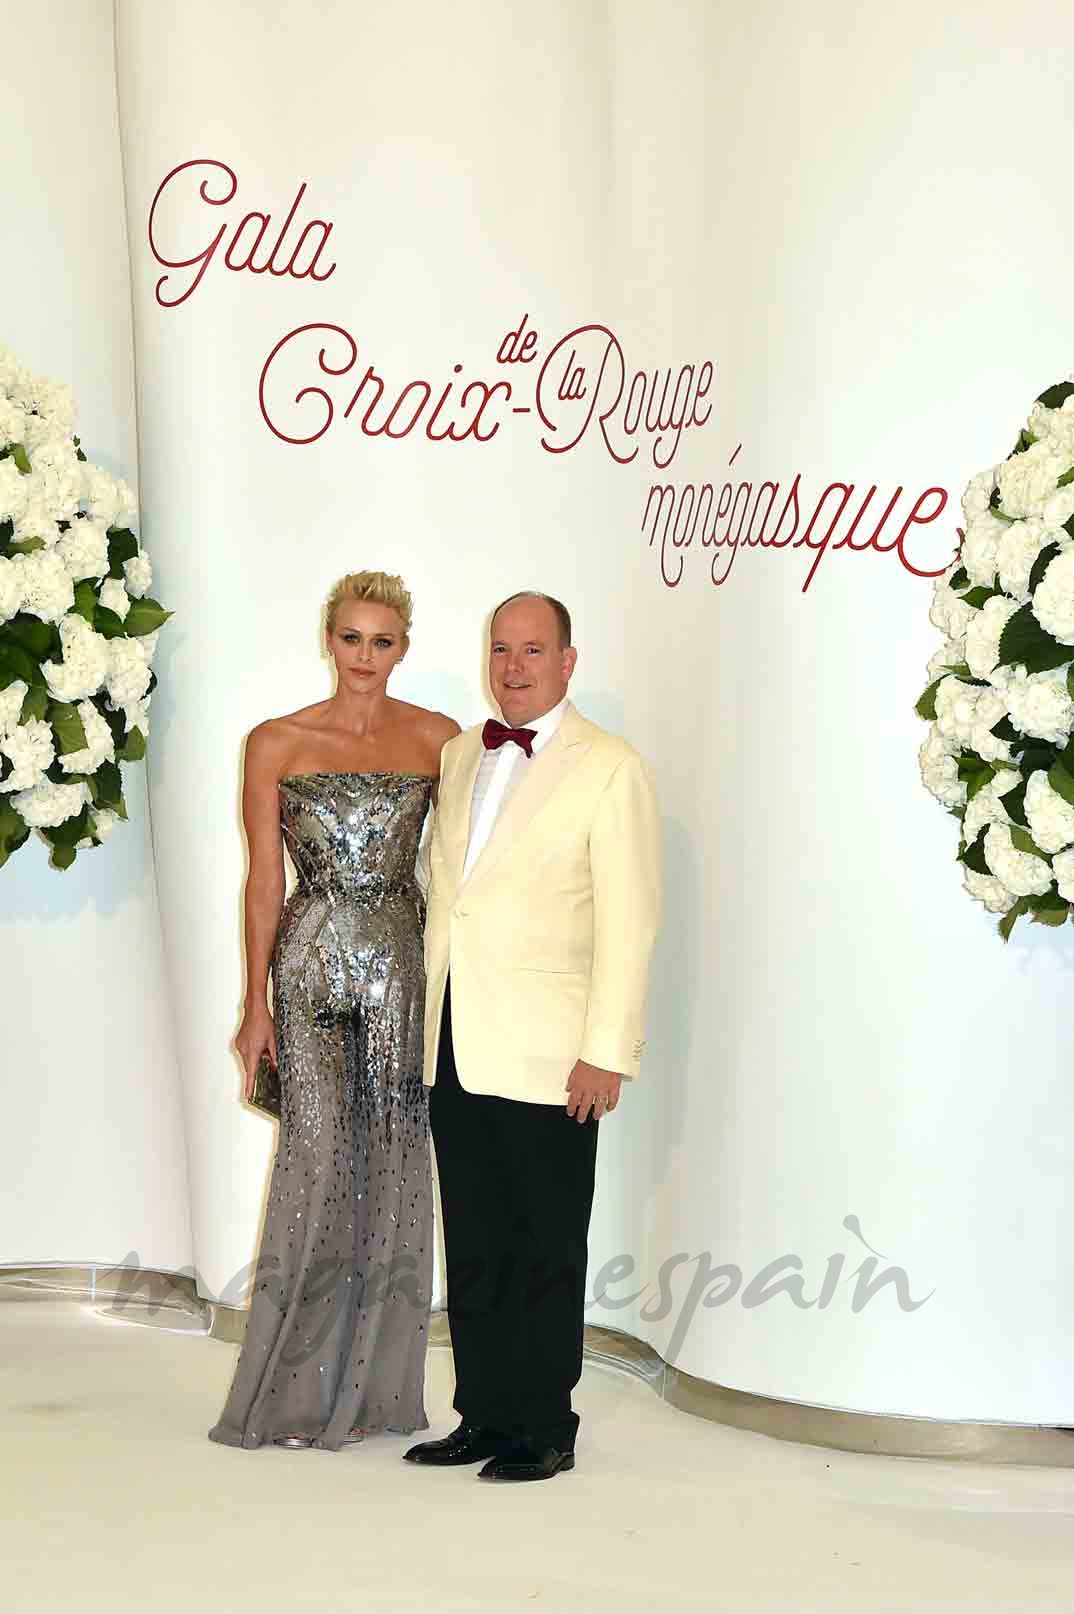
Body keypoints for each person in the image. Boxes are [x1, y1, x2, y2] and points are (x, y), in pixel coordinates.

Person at [404, 590, 661, 1482]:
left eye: (532, 650)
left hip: (555, 1056)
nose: (514, 667)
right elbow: (452, 900)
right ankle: (483, 1412)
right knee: (473, 1238)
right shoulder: (458, 754)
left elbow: (631, 923)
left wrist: (607, 1050)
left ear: (568, 661)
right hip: (452, 1038)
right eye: (501, 649)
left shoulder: (611, 767)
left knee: (545, 1243)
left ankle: (545, 1424)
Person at [209, 570, 459, 1451]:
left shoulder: (440, 741)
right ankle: (291, 1383)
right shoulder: (276, 741)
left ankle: (379, 1389)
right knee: (315, 1160)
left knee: (393, 1159)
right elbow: (262, 883)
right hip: (310, 968)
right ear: (329, 638)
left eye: (382, 641)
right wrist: (254, 1004)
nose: (365, 657)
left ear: (403, 647)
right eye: (352, 638)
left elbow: (464, 873)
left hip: (403, 966)